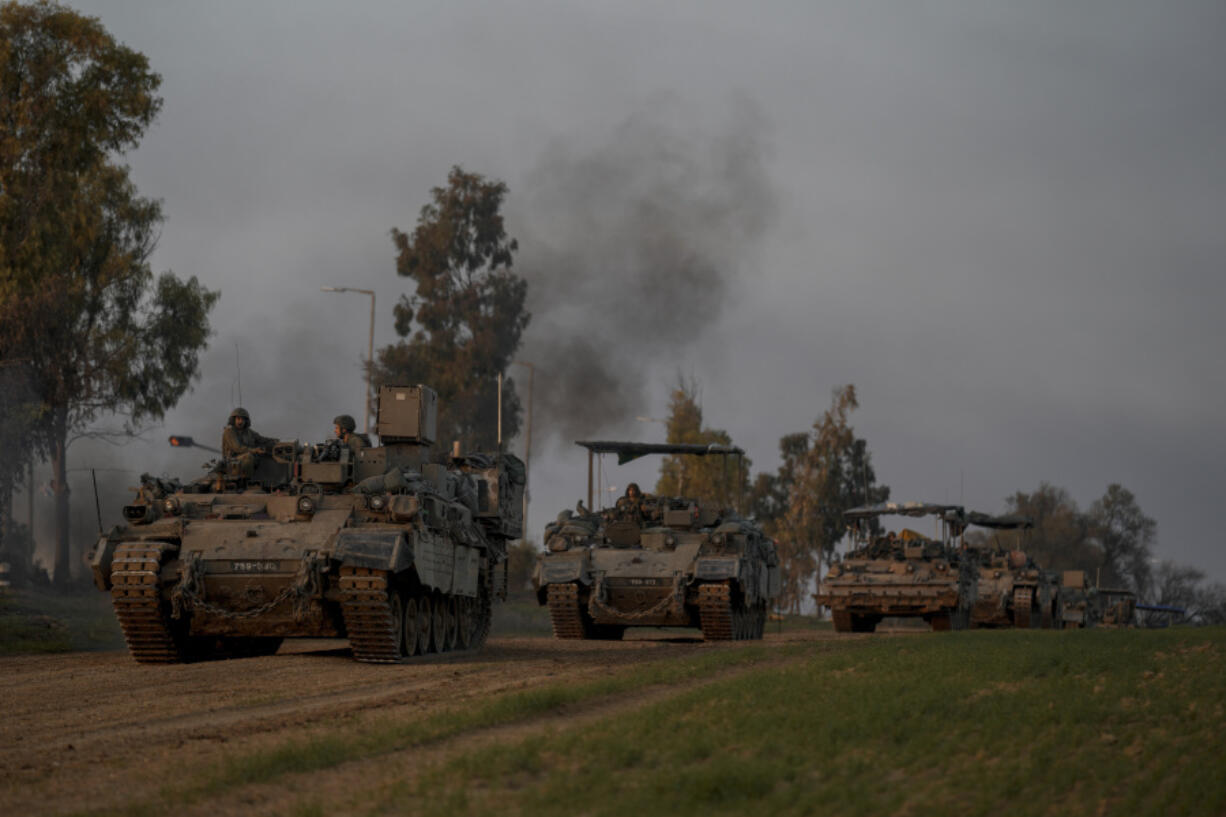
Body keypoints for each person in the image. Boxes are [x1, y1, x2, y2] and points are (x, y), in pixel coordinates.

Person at [221, 407, 277, 478]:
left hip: (247, 457)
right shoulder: (229, 432)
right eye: (238, 419)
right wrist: (255, 450)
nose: (240, 422)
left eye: (242, 419)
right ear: (234, 420)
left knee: (266, 455)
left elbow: (261, 439)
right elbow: (237, 448)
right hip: (232, 460)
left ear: (246, 421)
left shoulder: (248, 432)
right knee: (248, 457)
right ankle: (247, 480)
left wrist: (276, 441)